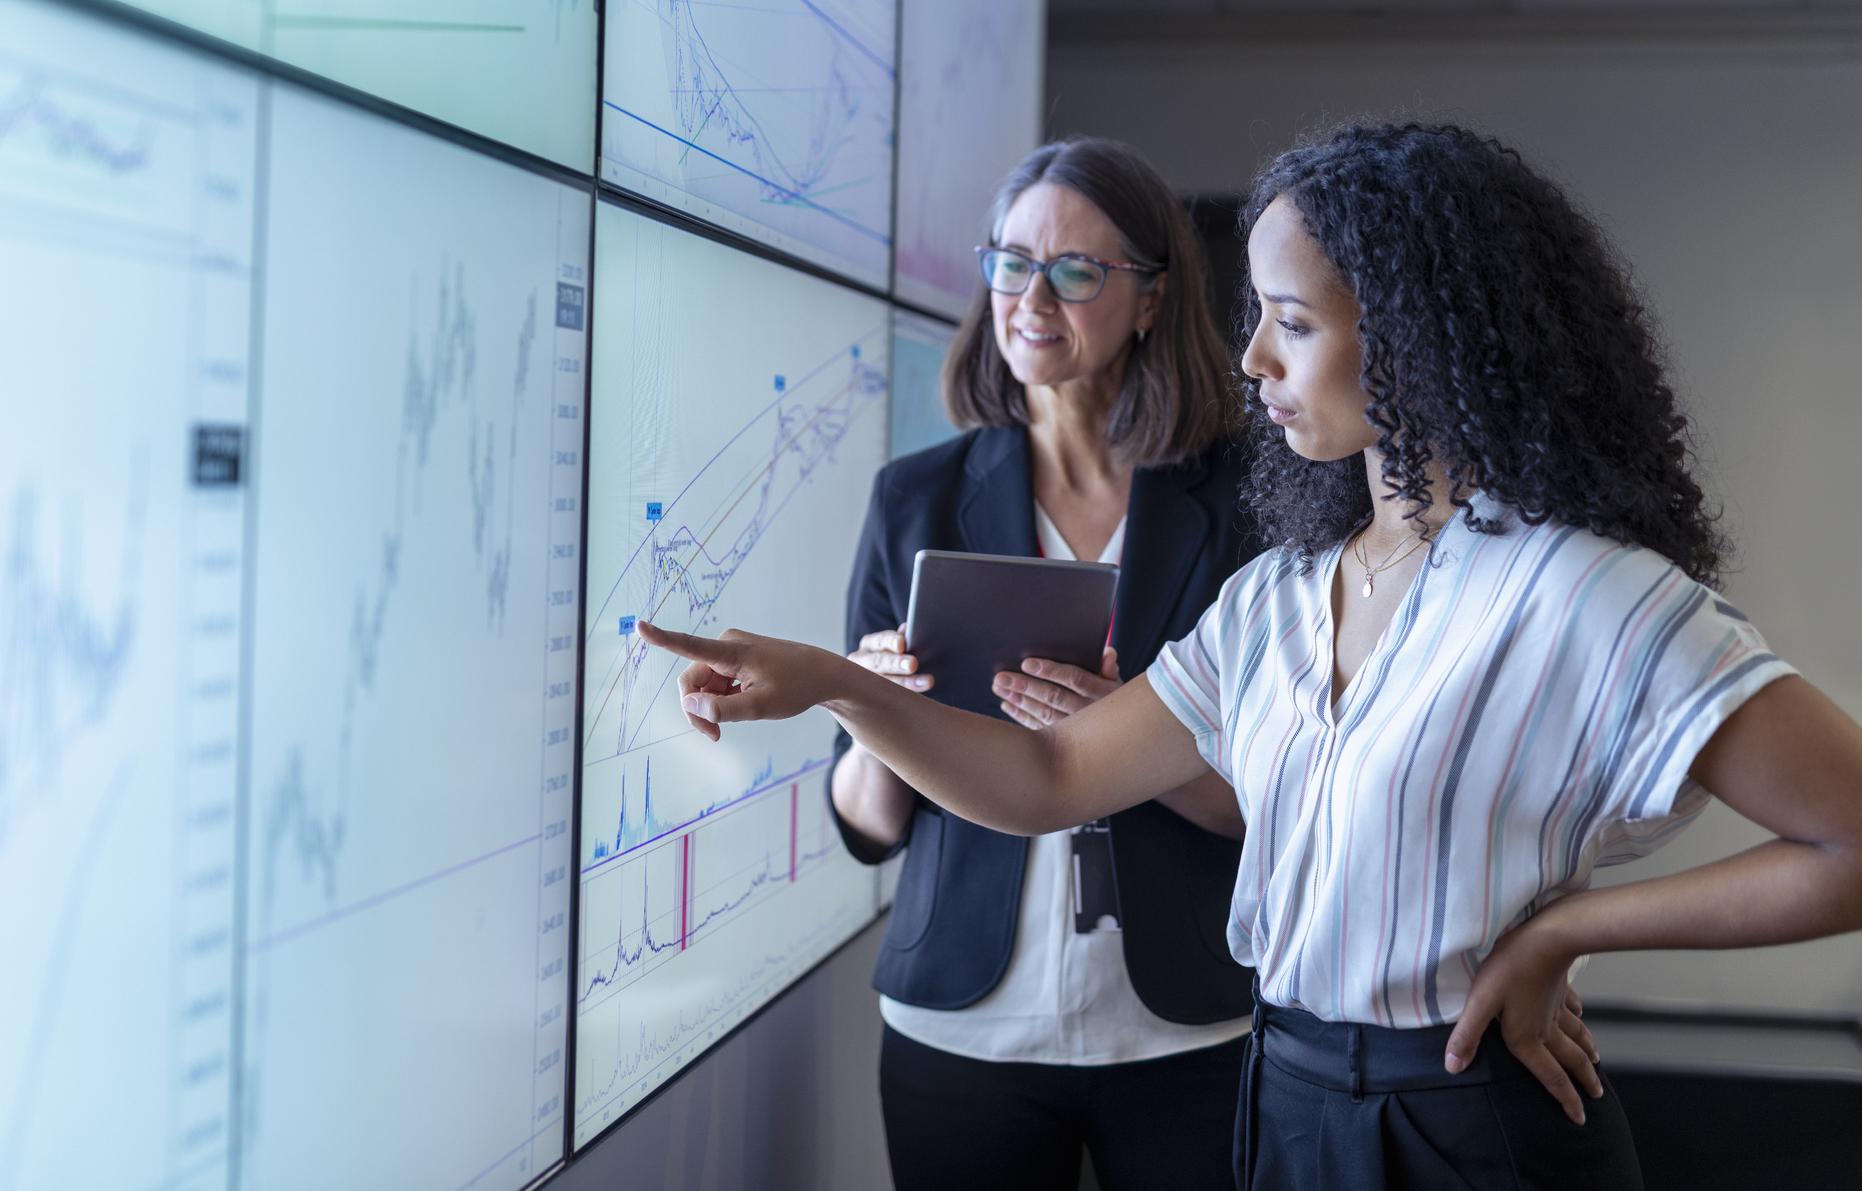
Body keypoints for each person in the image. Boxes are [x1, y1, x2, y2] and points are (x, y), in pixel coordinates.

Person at [636, 122, 1862, 1189]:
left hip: (1469, 1111)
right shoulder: (1278, 596)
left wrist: (1558, 937)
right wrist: (838, 683)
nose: (1254, 362)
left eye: (1289, 323)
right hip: (1281, 1098)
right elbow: (1049, 780)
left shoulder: (1581, 592)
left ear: (1419, 337)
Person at [831, 137, 1251, 1190]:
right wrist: (874, 710)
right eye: (1012, 263)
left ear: (1150, 300)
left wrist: (1130, 736)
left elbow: (1280, 799)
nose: (1031, 297)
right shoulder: (912, 499)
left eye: (1075, 271)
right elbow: (868, 825)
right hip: (962, 1023)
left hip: (1186, 1026)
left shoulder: (1243, 505)